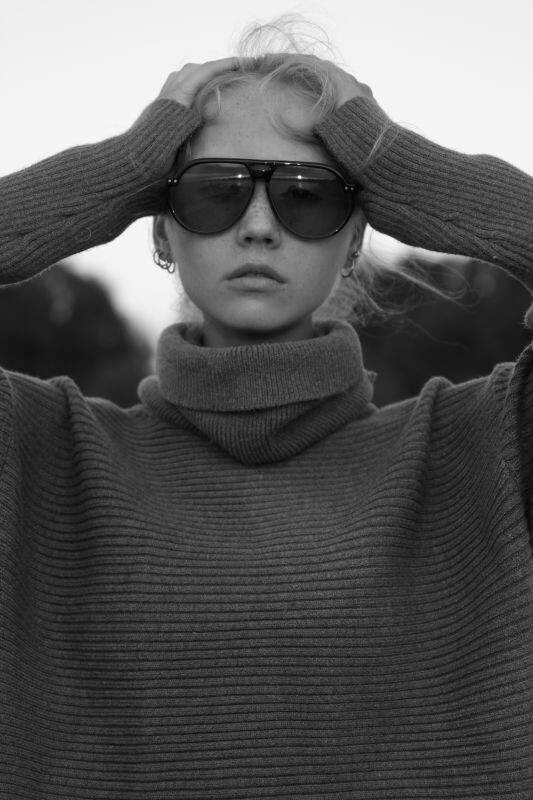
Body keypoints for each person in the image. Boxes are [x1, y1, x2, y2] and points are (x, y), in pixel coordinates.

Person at [1, 20, 533, 800]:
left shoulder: (486, 445)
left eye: (307, 196)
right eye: (212, 192)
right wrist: (117, 168)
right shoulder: (38, 449)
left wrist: (398, 161)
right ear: (159, 229)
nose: (257, 226)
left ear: (356, 237)